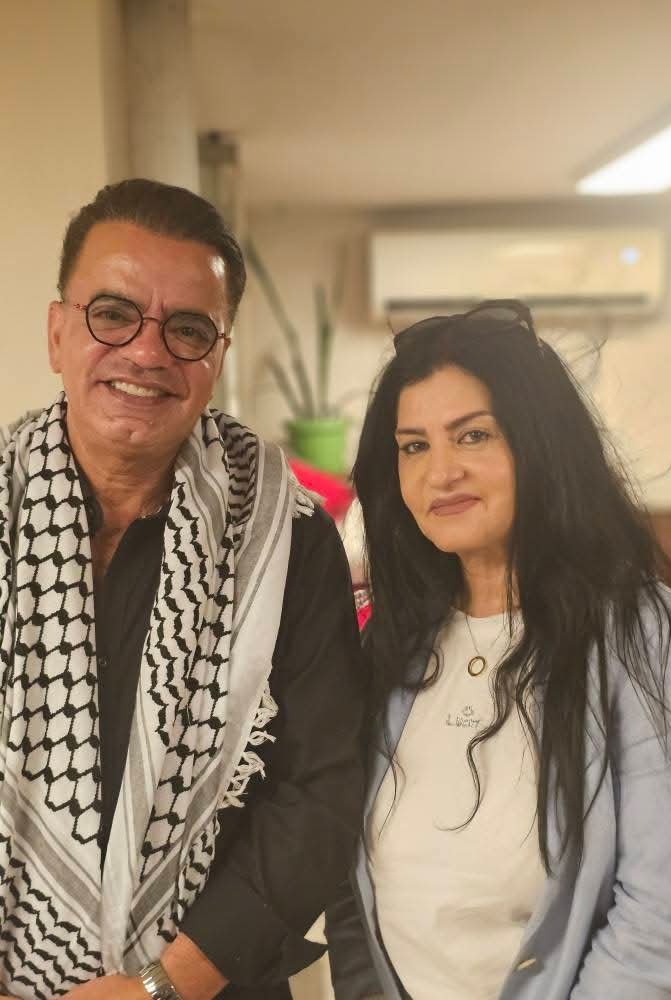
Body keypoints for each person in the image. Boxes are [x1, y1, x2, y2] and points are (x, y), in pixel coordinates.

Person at [0, 178, 364, 1000]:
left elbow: (322, 788)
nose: (147, 352)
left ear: (217, 358)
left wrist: (161, 985)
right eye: (113, 313)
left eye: (188, 329)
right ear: (57, 332)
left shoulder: (288, 539)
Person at [325, 301, 671, 1000]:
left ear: (541, 445)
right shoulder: (388, 646)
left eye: (473, 435)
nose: (440, 472)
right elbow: (352, 901)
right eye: (414, 446)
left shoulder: (660, 643)